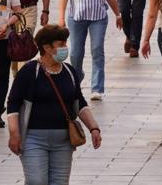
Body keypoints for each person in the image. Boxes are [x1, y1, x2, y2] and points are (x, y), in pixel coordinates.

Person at [7, 25, 102, 185]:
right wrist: (14, 133)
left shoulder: (70, 72)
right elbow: (13, 103)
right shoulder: (30, 71)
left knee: (60, 182)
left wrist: (94, 128)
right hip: (33, 140)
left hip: (63, 141)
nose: (65, 47)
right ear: (46, 47)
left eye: (65, 43)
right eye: (61, 44)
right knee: (36, 181)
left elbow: (79, 102)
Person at [59, 0, 123, 101]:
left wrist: (118, 14)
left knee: (97, 50)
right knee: (75, 54)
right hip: (77, 17)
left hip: (98, 17)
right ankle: (76, 79)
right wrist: (61, 18)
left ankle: (97, 88)